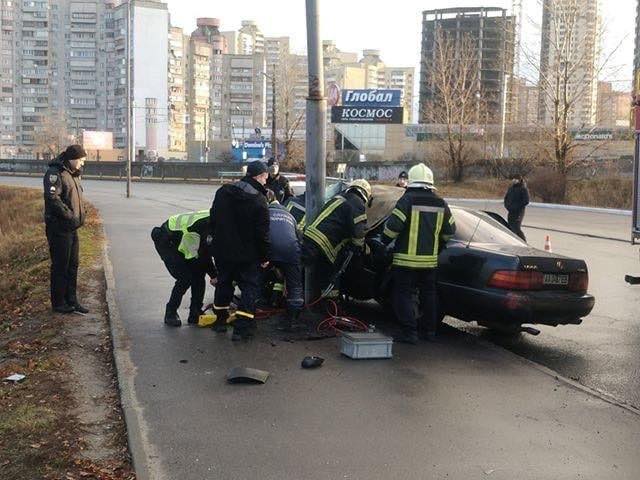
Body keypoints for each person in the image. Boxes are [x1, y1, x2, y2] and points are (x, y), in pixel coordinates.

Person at [381, 163, 456, 344]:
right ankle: (429, 332)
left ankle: (409, 333)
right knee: (428, 295)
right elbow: (450, 230)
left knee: (403, 294)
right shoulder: (440, 203)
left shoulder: (407, 200)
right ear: (430, 183)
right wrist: (437, 246)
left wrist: (383, 241)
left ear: (411, 182)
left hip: (405, 261)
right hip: (429, 262)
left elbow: (393, 228)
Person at [210, 160, 270, 341]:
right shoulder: (259, 201)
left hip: (222, 251)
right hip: (247, 254)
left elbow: (212, 220)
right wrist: (264, 256)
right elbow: (262, 233)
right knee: (249, 287)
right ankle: (242, 329)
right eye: (265, 178)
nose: (266, 182)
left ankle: (220, 322)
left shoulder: (223, 192)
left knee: (224, 284)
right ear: (259, 176)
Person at [151, 211, 217, 327]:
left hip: (182, 239)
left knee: (199, 274)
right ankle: (170, 312)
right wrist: (214, 275)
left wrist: (214, 275)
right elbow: (201, 256)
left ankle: (195, 313)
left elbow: (206, 251)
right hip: (166, 241)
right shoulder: (201, 227)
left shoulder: (216, 218)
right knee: (185, 277)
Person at [302, 179, 371, 291]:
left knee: (304, 272)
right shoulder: (357, 203)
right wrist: (359, 249)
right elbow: (359, 232)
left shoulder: (339, 197)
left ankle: (300, 301)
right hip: (325, 243)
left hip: (310, 237)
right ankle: (329, 305)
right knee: (330, 276)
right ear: (365, 195)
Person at [43, 144, 88, 314]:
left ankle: (72, 300)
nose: (82, 164)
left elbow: (75, 198)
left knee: (73, 265)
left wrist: (81, 213)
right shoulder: (55, 173)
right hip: (59, 228)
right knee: (60, 266)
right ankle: (59, 303)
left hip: (72, 227)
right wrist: (69, 215)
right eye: (81, 160)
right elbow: (53, 198)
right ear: (73, 159)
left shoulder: (73, 174)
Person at [266, 190, 304, 332]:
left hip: (269, 249)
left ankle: (250, 314)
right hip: (291, 251)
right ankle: (293, 320)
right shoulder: (289, 215)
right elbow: (299, 238)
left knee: (254, 279)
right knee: (295, 286)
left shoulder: (263, 213)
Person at [503, 174, 530, 241]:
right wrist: (507, 206)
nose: (514, 180)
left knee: (516, 227)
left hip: (519, 212)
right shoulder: (511, 188)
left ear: (519, 180)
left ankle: (523, 241)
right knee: (510, 227)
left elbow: (526, 201)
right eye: (513, 179)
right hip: (510, 211)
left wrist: (516, 207)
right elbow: (506, 198)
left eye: (515, 179)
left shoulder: (523, 188)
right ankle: (513, 241)